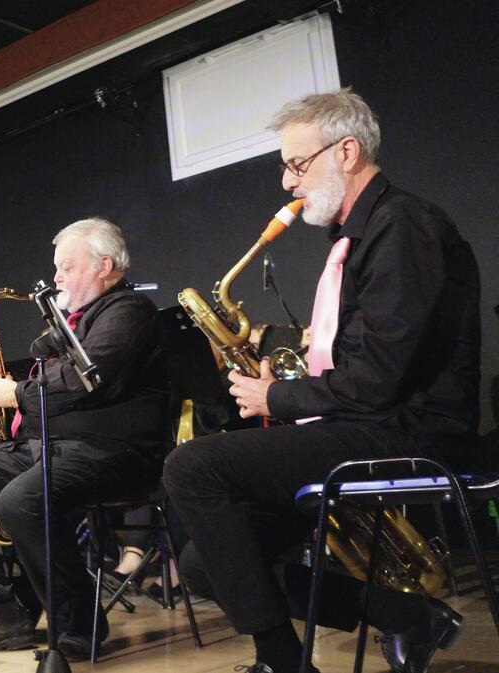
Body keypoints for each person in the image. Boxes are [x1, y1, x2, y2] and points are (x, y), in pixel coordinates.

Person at [163, 88, 480, 673]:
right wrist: (287, 369)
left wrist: (277, 396)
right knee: (206, 564)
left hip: (411, 432)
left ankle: (284, 664)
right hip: (369, 422)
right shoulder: (358, 237)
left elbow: (378, 380)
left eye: (296, 163)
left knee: (192, 466)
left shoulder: (402, 226)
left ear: (348, 151)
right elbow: (365, 359)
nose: (286, 182)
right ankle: (410, 617)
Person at [0, 218, 170, 659]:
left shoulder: (129, 312)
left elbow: (90, 380)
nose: (56, 278)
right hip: (44, 446)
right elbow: (61, 378)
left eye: (66, 267)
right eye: (57, 268)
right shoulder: (75, 321)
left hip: (112, 452)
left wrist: (18, 393)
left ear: (104, 266)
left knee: (18, 501)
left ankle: (79, 623)